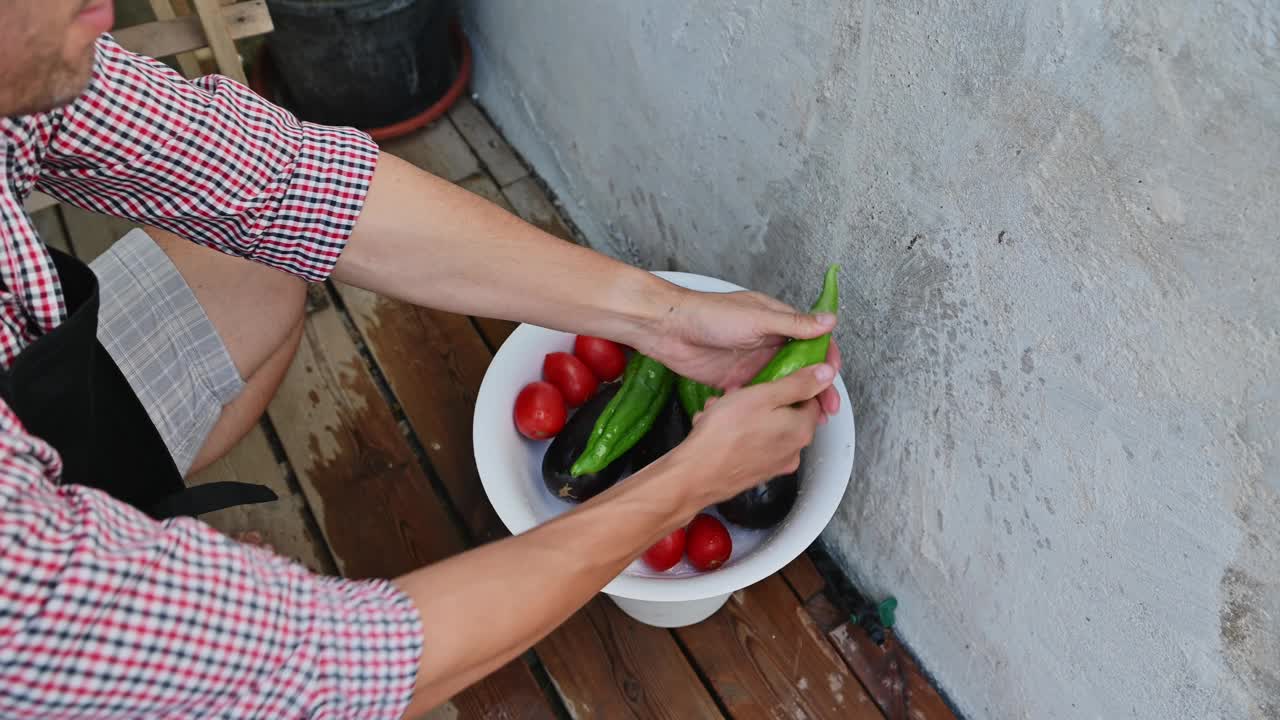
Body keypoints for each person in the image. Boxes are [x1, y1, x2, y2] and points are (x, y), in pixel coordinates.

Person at [0, 2, 841, 717]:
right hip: (25, 588)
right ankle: (114, 609)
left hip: (30, 437)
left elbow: (289, 183)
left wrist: (663, 315)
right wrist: (690, 480)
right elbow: (329, 664)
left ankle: (106, 538)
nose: (110, 4)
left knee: (254, 266)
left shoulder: (33, 60)